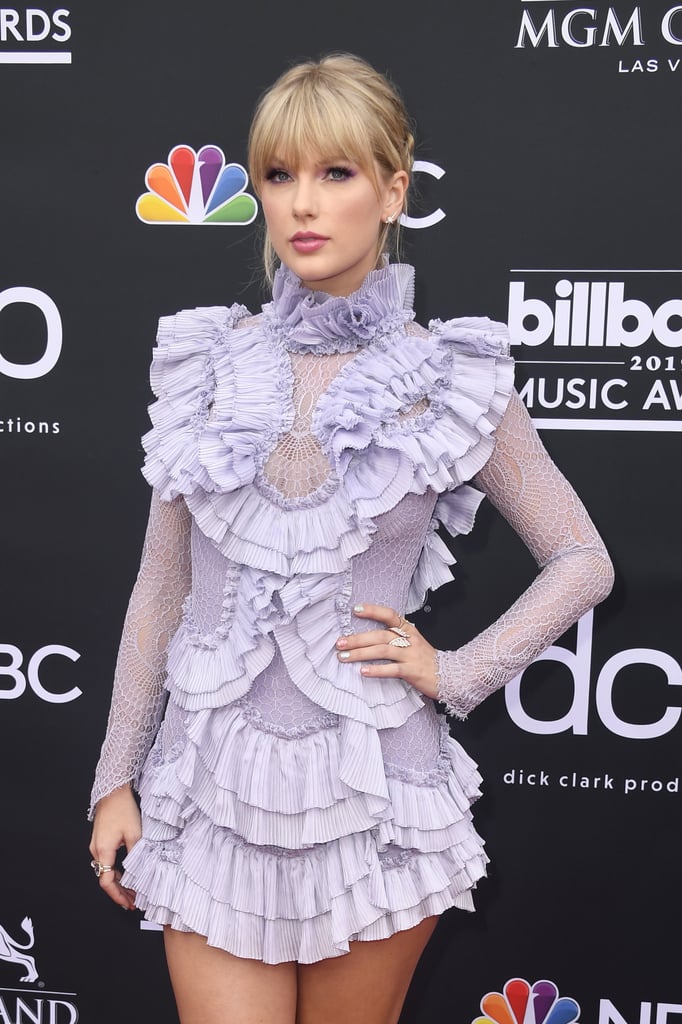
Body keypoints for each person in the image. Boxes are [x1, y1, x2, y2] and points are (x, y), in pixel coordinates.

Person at [88, 53, 614, 1024]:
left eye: (336, 174)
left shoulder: (449, 376)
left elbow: (583, 560)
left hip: (378, 796)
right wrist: (115, 777)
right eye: (280, 175)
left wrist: (456, 671)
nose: (302, 204)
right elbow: (160, 589)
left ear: (394, 190)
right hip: (208, 796)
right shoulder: (209, 363)